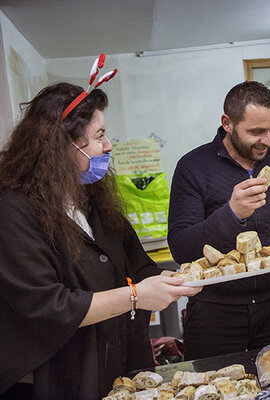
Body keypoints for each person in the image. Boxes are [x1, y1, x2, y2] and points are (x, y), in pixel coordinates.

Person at [0, 79, 201, 399]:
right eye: (99, 136)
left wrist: (177, 280)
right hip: (55, 380)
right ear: (61, 146)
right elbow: (50, 307)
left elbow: (140, 267)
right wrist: (135, 296)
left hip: (113, 369)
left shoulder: (94, 202)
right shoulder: (14, 212)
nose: (108, 145)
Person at [168, 81, 270, 359]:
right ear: (227, 123)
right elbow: (181, 248)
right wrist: (231, 214)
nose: (268, 140)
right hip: (214, 312)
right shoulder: (193, 167)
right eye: (256, 132)